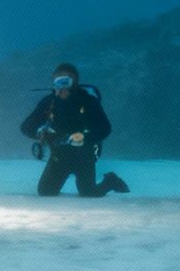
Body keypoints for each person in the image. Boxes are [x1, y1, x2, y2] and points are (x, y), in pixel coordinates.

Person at [19, 63, 129, 197]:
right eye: (58, 80)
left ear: (74, 82)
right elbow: (25, 127)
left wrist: (84, 137)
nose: (62, 85)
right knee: (45, 191)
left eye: (66, 80)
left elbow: (105, 128)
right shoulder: (49, 102)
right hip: (58, 156)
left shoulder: (88, 101)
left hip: (84, 156)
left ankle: (110, 181)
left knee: (88, 192)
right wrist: (40, 132)